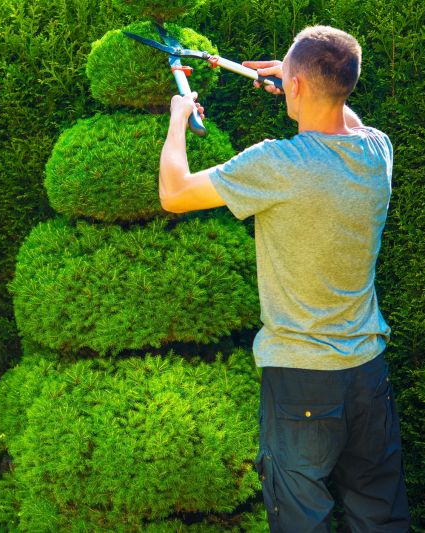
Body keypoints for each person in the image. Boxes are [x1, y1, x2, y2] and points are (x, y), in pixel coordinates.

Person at [159, 26, 411, 532]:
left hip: (301, 382)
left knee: (301, 519)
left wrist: (178, 119)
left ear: (296, 86)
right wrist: (300, 78)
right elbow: (345, 119)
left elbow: (175, 192)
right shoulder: (376, 152)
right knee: (380, 516)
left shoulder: (278, 163)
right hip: (367, 373)